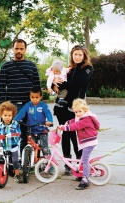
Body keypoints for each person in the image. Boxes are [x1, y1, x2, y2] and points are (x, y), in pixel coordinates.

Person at [53, 45, 93, 175]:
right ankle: (67, 164)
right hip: (61, 106)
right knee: (65, 134)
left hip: (75, 108)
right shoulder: (69, 69)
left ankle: (81, 163)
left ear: (84, 56)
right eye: (75, 54)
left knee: (77, 135)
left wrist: (63, 84)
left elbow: (78, 82)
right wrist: (55, 83)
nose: (77, 57)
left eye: (80, 55)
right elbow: (59, 83)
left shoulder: (87, 69)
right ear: (72, 55)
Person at [0, 39, 41, 156]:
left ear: (25, 50)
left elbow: (37, 87)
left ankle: (26, 161)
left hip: (28, 105)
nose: (19, 51)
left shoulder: (31, 66)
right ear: (13, 49)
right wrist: (2, 108)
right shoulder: (6, 67)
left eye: (21, 49)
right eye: (16, 48)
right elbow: (2, 87)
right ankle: (9, 161)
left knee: (28, 134)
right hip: (12, 107)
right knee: (9, 135)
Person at [58, 98, 100, 190]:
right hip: (87, 141)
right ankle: (82, 173)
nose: (77, 114)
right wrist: (67, 122)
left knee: (85, 159)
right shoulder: (80, 117)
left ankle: (85, 180)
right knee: (83, 159)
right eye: (76, 112)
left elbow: (76, 125)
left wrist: (65, 128)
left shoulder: (86, 119)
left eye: (79, 111)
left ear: (85, 109)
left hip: (89, 141)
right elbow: (74, 121)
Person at [0, 101, 23, 183]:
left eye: (9, 115)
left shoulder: (15, 124)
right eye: (5, 115)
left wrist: (16, 134)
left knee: (15, 161)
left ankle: (17, 175)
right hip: (2, 146)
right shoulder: (0, 125)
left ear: (12, 115)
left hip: (13, 146)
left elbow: (19, 132)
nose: (7, 117)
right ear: (1, 115)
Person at [14, 87, 53, 158]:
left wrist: (49, 121)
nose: (34, 99)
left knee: (44, 147)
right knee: (31, 146)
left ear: (41, 97)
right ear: (30, 97)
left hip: (42, 130)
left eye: (37, 97)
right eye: (32, 97)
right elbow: (21, 113)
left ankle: (49, 163)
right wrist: (15, 120)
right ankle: (29, 163)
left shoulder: (43, 105)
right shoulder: (27, 105)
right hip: (31, 130)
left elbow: (48, 113)